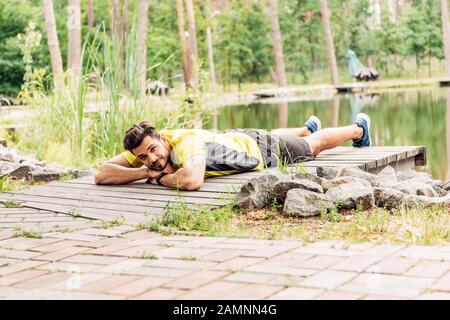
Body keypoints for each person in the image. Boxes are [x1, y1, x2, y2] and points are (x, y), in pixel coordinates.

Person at [94, 113, 372, 190]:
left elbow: (191, 180)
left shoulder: (185, 144)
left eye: (153, 150)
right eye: (143, 156)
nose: (152, 158)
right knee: (261, 135)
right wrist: (144, 170)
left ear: (162, 138)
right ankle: (304, 128)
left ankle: (358, 128)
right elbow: (102, 174)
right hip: (232, 140)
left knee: (314, 147)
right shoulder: (147, 151)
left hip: (263, 149)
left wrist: (160, 178)